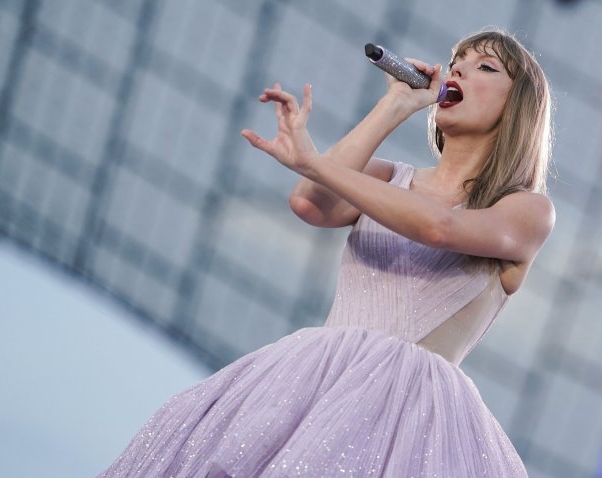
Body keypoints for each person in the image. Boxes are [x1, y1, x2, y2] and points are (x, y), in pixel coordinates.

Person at [100, 27, 554, 478]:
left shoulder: (526, 210)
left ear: (517, 109)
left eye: (485, 67)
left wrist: (315, 161)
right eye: (457, 62)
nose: (458, 70)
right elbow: (310, 202)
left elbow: (439, 227)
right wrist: (394, 104)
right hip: (313, 384)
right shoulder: (387, 179)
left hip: (414, 420)